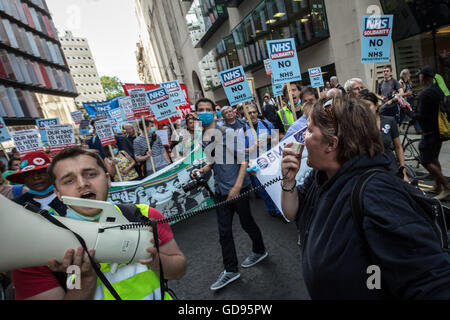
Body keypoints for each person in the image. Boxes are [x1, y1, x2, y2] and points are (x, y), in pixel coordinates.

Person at [281, 97, 450, 299]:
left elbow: (431, 281)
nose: (302, 137)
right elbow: (292, 213)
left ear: (331, 144)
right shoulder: (320, 176)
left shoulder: (377, 194)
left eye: (308, 130)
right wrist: (288, 181)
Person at [11, 147, 186, 300]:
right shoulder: (37, 248)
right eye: (69, 180)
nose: (83, 184)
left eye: (91, 174)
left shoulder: (144, 215)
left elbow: (179, 271)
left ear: (108, 179)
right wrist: (84, 279)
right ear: (57, 192)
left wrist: (153, 259)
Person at [192, 97, 267, 291]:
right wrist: (201, 170)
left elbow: (243, 160)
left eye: (208, 108)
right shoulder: (203, 135)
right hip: (220, 190)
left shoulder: (227, 132)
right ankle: (231, 270)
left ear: (215, 112)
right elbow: (213, 161)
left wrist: (236, 187)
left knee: (247, 223)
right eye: (201, 109)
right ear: (196, 113)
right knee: (224, 232)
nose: (204, 112)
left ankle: (259, 251)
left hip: (238, 189)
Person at [406, 66, 449, 200]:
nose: (418, 77)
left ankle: (446, 187)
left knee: (425, 160)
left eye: (420, 75)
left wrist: (407, 110)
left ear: (425, 77)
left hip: (429, 132)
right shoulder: (438, 90)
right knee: (434, 157)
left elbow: (420, 116)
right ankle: (437, 185)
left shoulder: (426, 93)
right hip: (439, 131)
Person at [360, 90, 409, 181]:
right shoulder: (359, 126)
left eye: (368, 106)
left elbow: (398, 147)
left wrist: (403, 171)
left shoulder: (389, 121)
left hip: (391, 167)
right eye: (362, 107)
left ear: (376, 106)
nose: (365, 109)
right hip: (371, 172)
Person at [244, 104, 281, 219]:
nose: (252, 115)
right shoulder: (243, 130)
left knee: (275, 185)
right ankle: (271, 208)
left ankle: (280, 208)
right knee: (262, 189)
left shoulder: (267, 124)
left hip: (270, 161)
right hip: (255, 165)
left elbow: (277, 139)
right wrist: (254, 146)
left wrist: (269, 138)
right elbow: (242, 150)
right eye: (249, 113)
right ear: (246, 115)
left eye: (254, 112)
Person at [7, 151, 67, 216]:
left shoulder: (70, 195)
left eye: (41, 172)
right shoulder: (17, 205)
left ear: (52, 173)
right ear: (23, 178)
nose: (36, 177)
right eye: (29, 174)